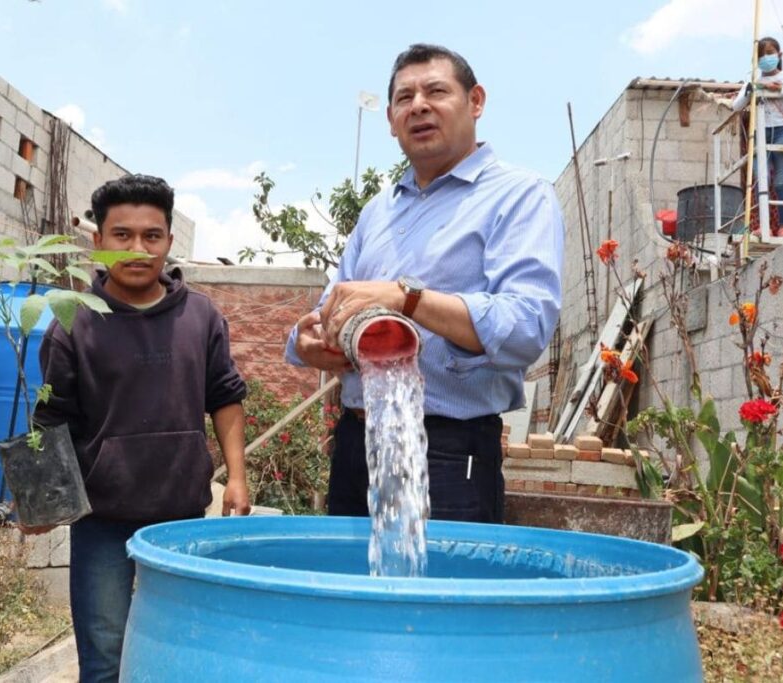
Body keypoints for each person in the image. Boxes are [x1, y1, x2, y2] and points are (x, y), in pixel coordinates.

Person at [285, 44, 563, 523]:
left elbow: (526, 326)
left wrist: (405, 298)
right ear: (392, 121)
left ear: (475, 101)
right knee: (352, 594)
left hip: (449, 452)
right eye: (404, 98)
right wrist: (308, 341)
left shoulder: (519, 196)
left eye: (436, 91)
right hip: (357, 443)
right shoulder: (377, 212)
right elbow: (333, 303)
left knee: (440, 596)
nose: (418, 106)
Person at [30, 174, 251, 683]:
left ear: (169, 243)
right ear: (99, 242)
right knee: (105, 656)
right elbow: (51, 416)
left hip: (182, 519)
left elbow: (225, 397)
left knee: (181, 652)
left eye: (151, 236)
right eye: (122, 235)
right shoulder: (73, 322)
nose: (137, 248)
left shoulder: (201, 316)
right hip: (102, 520)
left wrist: (236, 475)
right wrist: (40, 498)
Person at [732, 36, 783, 238]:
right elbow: (736, 106)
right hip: (760, 132)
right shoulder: (754, 81)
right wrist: (749, 91)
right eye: (761, 55)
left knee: (781, 180)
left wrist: (780, 89)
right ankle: (762, 225)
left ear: (779, 55)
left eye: (769, 53)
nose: (766, 58)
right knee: (760, 179)